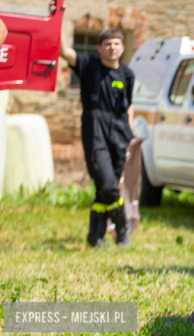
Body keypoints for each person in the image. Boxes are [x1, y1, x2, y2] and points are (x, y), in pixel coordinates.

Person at [60, 28, 135, 248]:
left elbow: (129, 106)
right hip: (95, 130)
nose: (112, 48)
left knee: (104, 188)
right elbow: (64, 51)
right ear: (99, 47)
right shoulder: (89, 65)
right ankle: (122, 226)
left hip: (120, 133)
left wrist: (131, 135)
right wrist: (59, 18)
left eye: (116, 44)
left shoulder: (127, 74)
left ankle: (96, 237)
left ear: (122, 48)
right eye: (107, 44)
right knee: (108, 183)